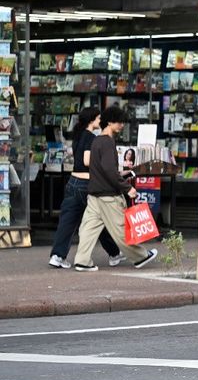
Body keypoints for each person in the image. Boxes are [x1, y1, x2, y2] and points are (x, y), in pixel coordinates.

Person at [71, 106, 159, 272]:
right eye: (120, 122)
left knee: (88, 229)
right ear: (110, 122)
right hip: (108, 195)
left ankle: (82, 260)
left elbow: (100, 168)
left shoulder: (97, 140)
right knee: (120, 230)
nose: (122, 125)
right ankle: (140, 256)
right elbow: (109, 170)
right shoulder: (107, 142)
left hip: (95, 193)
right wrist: (127, 188)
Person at [48, 107, 126, 268]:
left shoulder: (78, 135)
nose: (100, 121)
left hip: (73, 182)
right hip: (86, 184)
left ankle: (57, 255)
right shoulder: (91, 137)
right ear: (91, 120)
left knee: (68, 222)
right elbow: (86, 160)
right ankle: (114, 253)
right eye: (98, 119)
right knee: (100, 220)